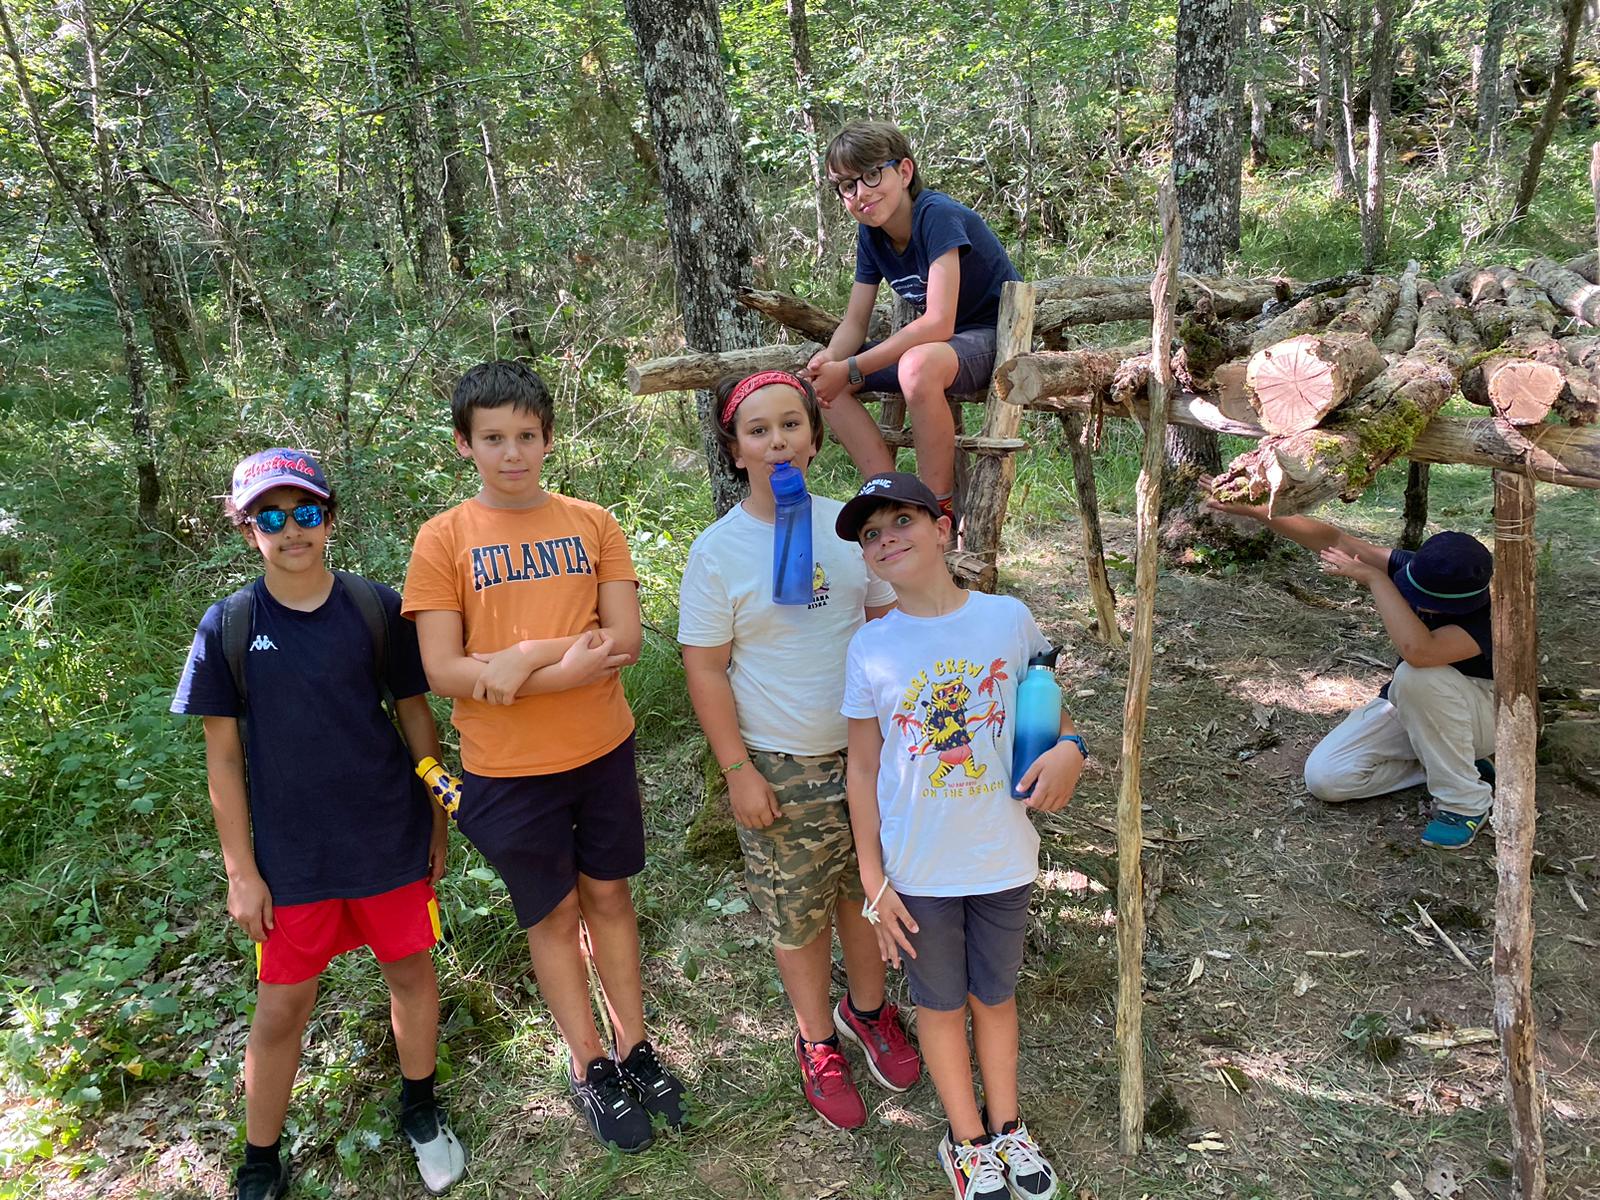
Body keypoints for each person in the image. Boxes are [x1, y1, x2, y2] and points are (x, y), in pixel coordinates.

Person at [401, 361, 687, 1154]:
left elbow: (622, 640)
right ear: (465, 444)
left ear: (550, 438)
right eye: (493, 438)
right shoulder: (444, 539)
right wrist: (559, 663)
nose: (512, 453)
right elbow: (442, 671)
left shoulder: (592, 521)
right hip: (505, 769)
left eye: (527, 436)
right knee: (554, 915)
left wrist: (524, 657)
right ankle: (589, 1063)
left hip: (600, 749)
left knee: (609, 898)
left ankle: (635, 1048)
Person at [172, 449, 465, 1200]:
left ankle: (421, 1111)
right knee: (282, 1007)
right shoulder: (230, 625)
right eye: (270, 516)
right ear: (247, 531)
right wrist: (242, 872)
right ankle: (260, 1161)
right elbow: (223, 763)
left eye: (304, 512)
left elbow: (415, 720)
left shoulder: (374, 608)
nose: (290, 529)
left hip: (387, 839)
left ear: (329, 519)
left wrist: (436, 821)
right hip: (292, 860)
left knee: (411, 974)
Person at [678, 371, 922, 1130]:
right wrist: (738, 770)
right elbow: (706, 669)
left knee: (864, 890)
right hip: (781, 764)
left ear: (814, 438)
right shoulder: (719, 552)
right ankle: (816, 1038)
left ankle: (868, 1009)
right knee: (798, 911)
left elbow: (885, 627)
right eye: (759, 429)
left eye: (792, 424)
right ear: (735, 448)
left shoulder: (853, 530)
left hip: (868, 759)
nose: (777, 439)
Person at [837, 472, 1084, 1200]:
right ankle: (967, 1140)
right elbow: (860, 770)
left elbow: (1051, 714)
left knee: (995, 997)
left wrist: (1074, 749)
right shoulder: (871, 648)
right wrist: (873, 880)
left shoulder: (1007, 619)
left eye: (902, 522)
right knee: (940, 1006)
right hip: (917, 874)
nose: (888, 540)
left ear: (945, 529)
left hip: (1002, 856)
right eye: (872, 535)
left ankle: (1009, 1127)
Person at [1206, 489, 1495, 850]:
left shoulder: (1494, 615)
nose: (1426, 608)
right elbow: (1334, 539)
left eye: (1432, 604)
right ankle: (1456, 766)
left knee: (1417, 674)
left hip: (1483, 715)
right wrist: (1256, 511)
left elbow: (1420, 652)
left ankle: (1465, 803)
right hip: (1418, 708)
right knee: (1327, 778)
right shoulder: (1418, 568)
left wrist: (1376, 579)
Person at [805, 120, 1021, 518]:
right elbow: (855, 323)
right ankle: (889, 498)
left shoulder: (936, 215)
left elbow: (938, 322)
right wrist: (831, 363)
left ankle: (934, 511)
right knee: (824, 387)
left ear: (904, 171)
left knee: (917, 366)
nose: (861, 194)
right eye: (847, 186)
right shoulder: (871, 236)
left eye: (871, 175)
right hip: (946, 346)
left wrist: (851, 368)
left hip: (994, 338)